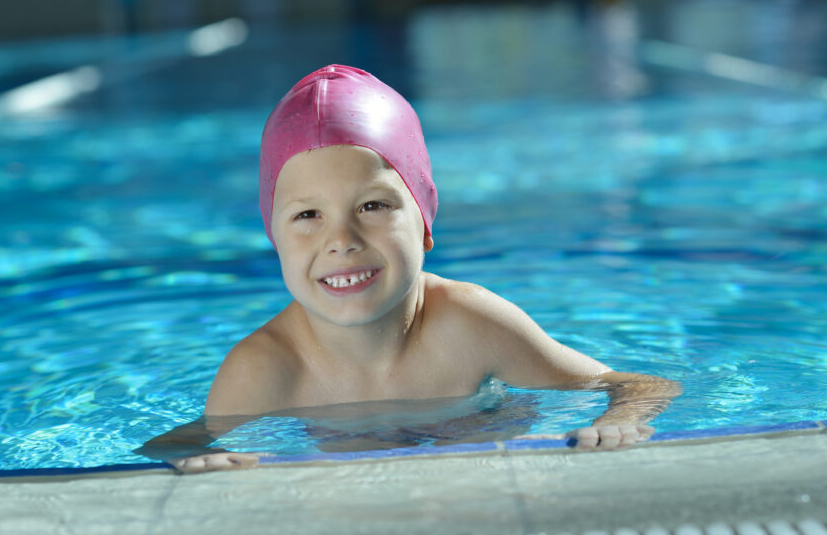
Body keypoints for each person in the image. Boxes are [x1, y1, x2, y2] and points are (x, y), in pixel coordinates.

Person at [138, 65, 681, 473]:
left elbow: (639, 386)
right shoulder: (265, 370)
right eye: (307, 215)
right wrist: (193, 463)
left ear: (423, 221)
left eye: (372, 207)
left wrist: (617, 420)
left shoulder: (471, 324)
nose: (341, 241)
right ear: (274, 239)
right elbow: (173, 448)